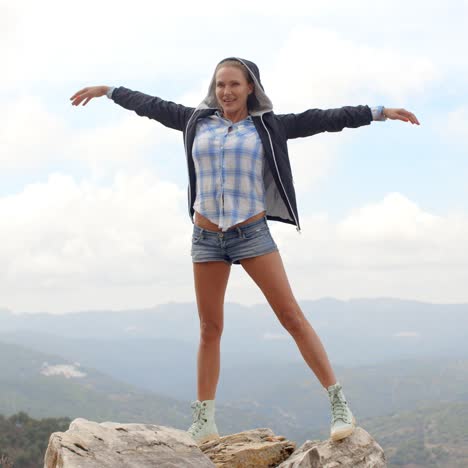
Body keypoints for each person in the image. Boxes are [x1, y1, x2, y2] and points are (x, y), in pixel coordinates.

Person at [70, 57, 420, 445]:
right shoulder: (195, 120)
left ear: (250, 87)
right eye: (220, 84)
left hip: (251, 234)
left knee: (291, 317)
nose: (226, 92)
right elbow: (151, 106)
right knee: (209, 328)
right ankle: (204, 420)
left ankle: (339, 405)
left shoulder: (268, 126)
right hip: (205, 237)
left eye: (234, 84)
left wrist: (378, 112)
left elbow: (324, 118)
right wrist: (110, 91)